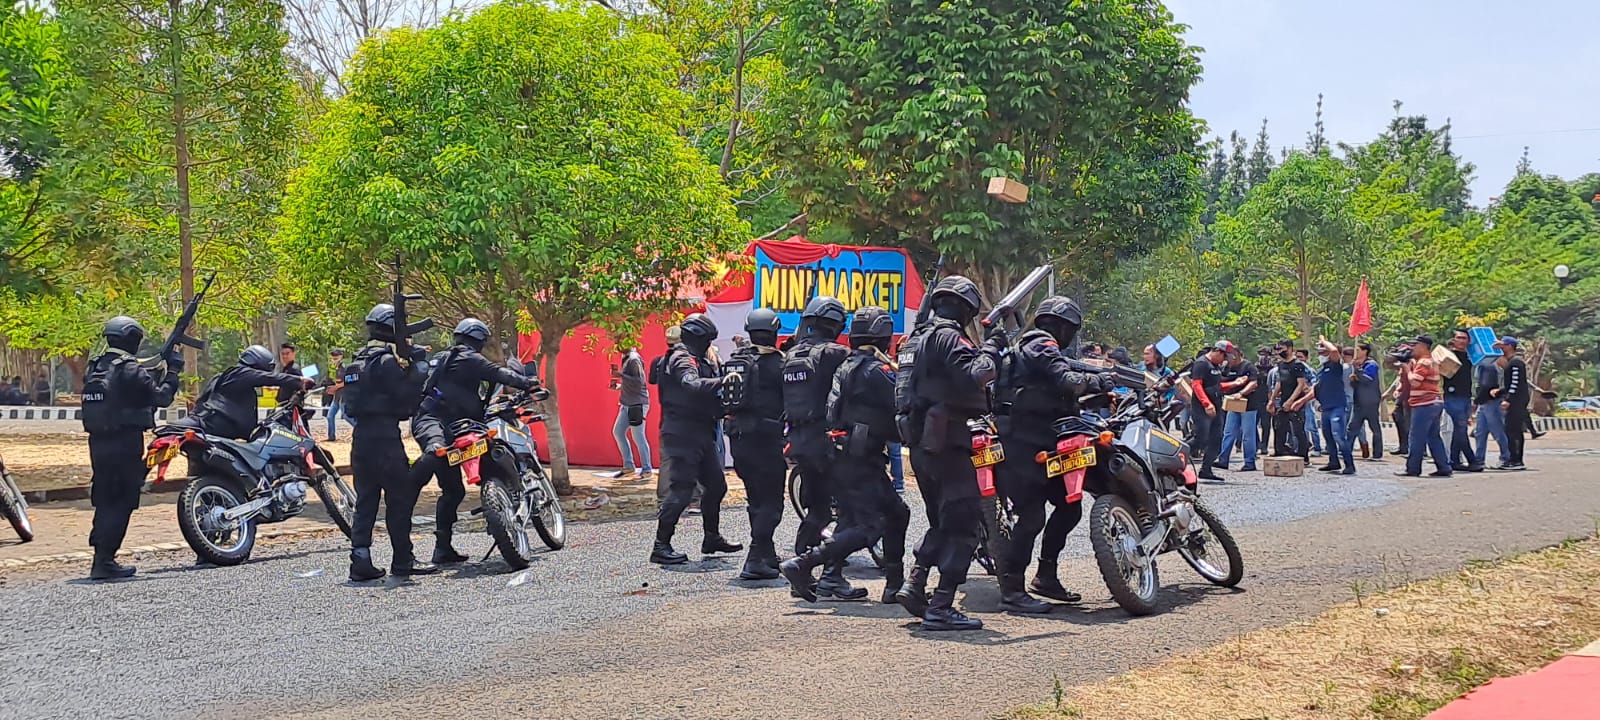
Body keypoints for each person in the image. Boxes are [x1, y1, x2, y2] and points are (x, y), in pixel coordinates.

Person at [781, 306, 911, 604]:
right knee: (869, 526)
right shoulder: (874, 370)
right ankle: (803, 564)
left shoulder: (846, 363)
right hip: (859, 459)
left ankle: (891, 585)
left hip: (837, 452)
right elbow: (902, 400)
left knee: (892, 514)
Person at [893, 276, 998, 631]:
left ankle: (916, 582)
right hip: (948, 443)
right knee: (966, 525)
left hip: (922, 445)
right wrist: (992, 348)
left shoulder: (914, 339)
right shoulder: (948, 337)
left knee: (942, 520)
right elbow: (975, 374)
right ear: (965, 309)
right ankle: (942, 604)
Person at [990, 297, 1105, 614]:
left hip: (1045, 442)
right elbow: (1067, 380)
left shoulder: (1030, 350)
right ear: (1062, 325)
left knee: (1070, 507)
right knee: (1031, 517)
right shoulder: (1042, 344)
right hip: (1022, 445)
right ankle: (1012, 590)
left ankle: (1046, 576)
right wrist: (1096, 380)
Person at [407, 318, 540, 565]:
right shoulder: (467, 357)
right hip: (437, 424)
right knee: (433, 458)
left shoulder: (444, 356)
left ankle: (443, 548)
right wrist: (528, 383)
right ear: (478, 338)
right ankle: (409, 488)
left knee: (453, 490)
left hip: (446, 424)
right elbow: (499, 373)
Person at [80, 316, 182, 580]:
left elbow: (130, 394)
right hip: (124, 443)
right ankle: (105, 561)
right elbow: (161, 397)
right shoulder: (128, 368)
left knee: (105, 498)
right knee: (122, 499)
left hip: (98, 443)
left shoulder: (96, 366)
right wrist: (172, 372)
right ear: (132, 339)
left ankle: (100, 558)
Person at [342, 304, 435, 581]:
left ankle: (360, 560)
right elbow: (404, 395)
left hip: (360, 440)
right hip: (385, 438)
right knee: (399, 499)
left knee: (366, 501)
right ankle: (403, 560)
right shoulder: (384, 361)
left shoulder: (355, 363)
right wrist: (419, 368)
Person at [782, 296, 861, 599]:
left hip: (800, 441)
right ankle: (831, 576)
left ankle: (799, 567)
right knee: (848, 511)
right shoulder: (834, 353)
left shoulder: (790, 355)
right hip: (828, 442)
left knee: (817, 511)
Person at [651, 313, 740, 564]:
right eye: (708, 340)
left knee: (716, 487)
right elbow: (691, 384)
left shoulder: (699, 358)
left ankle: (711, 537)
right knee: (681, 490)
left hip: (701, 431)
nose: (710, 345)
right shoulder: (681, 358)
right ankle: (661, 545)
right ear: (698, 338)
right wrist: (722, 381)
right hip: (681, 433)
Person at [722, 308, 787, 580]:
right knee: (772, 503)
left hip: (738, 440)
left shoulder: (736, 360)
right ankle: (754, 558)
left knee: (756, 499)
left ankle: (766, 552)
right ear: (773, 333)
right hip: (766, 440)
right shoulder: (776, 364)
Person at [186, 345, 314, 440]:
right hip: (217, 428)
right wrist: (299, 381)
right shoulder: (239, 373)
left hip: (211, 430)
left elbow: (201, 400)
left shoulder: (226, 377)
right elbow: (268, 378)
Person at [1396, 336, 1453, 478]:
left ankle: (1413, 468)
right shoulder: (1431, 361)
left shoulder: (1424, 362)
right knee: (1433, 437)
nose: (1412, 348)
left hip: (1424, 403)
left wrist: (1407, 369)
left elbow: (1415, 382)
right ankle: (1443, 466)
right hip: (1434, 402)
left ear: (1423, 346)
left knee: (1416, 437)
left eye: (1414, 345)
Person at [603, 347, 653, 479]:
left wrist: (621, 376)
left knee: (638, 437)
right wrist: (619, 386)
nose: (617, 344)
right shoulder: (627, 358)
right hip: (627, 403)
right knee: (618, 432)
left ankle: (647, 469)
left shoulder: (633, 359)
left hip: (637, 404)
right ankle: (629, 466)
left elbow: (639, 382)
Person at [1188, 342, 1234, 481]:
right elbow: (1196, 385)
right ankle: (1175, 458)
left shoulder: (1215, 367)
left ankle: (1206, 469)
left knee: (1216, 438)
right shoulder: (1202, 363)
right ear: (1218, 352)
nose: (1225, 360)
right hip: (1202, 408)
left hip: (1216, 406)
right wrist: (1206, 403)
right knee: (1201, 438)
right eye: (1225, 356)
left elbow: (1216, 386)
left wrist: (1235, 383)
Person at [1313, 337, 1355, 475]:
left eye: (1324, 353)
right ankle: (1333, 462)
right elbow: (1315, 389)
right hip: (1326, 407)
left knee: (1339, 436)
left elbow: (1334, 350)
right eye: (1320, 353)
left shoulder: (1336, 366)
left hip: (1337, 406)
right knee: (1328, 436)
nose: (1321, 356)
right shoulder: (1322, 371)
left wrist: (1323, 340)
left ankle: (1349, 465)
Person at [1217, 346, 1260, 472]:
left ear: (1236, 354)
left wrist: (1241, 393)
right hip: (1232, 403)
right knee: (1229, 432)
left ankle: (1249, 462)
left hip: (1248, 404)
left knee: (1248, 434)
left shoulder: (1248, 367)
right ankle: (1223, 460)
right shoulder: (1227, 367)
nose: (1228, 359)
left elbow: (1253, 383)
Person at [1268, 340, 1313, 458]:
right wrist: (1272, 400)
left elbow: (1301, 384)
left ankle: (1303, 456)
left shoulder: (1297, 365)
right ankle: (1280, 452)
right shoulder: (1281, 365)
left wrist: (1291, 400)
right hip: (1282, 401)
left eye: (1281, 349)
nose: (1279, 352)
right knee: (1279, 428)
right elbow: (1279, 383)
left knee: (1298, 430)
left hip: (1296, 402)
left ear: (1289, 348)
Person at [1495, 337, 1530, 471]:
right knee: (1512, 430)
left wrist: (1508, 399)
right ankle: (1514, 459)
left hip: (1517, 401)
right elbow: (1512, 384)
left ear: (1510, 346)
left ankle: (1516, 460)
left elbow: (1515, 383)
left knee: (1513, 430)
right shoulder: (1512, 362)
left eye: (1503, 345)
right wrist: (1500, 391)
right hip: (1517, 399)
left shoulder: (1516, 363)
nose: (1501, 347)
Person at [1344, 342, 1384, 462]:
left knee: (1375, 428)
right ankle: (1347, 451)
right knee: (1352, 428)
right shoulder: (1355, 365)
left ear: (1365, 351)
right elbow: (1356, 384)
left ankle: (1377, 454)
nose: (1356, 352)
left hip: (1370, 401)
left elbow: (1368, 380)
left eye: (1358, 349)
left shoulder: (1371, 364)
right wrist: (1353, 379)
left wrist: (1358, 371)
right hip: (1359, 402)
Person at [1442, 329, 1475, 471]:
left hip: (1466, 396)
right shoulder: (1448, 356)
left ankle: (1454, 460)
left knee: (1459, 429)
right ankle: (1472, 460)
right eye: (1459, 338)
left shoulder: (1471, 357)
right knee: (1461, 429)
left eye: (1465, 338)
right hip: (1452, 397)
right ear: (1454, 340)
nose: (1462, 341)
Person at [1472, 354, 1509, 471]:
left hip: (1490, 402)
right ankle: (1479, 459)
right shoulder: (1484, 366)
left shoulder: (1487, 366)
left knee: (1497, 431)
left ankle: (1506, 457)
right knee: (1480, 433)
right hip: (1485, 403)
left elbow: (1486, 386)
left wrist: (1476, 401)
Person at [322, 349, 354, 441]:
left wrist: (335, 388)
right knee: (330, 416)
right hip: (337, 397)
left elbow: (346, 382)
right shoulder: (335, 368)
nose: (334, 359)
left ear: (341, 357)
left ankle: (359, 429)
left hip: (343, 396)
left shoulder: (344, 368)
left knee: (346, 416)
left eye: (336, 357)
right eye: (333, 357)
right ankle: (331, 437)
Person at [1295, 348, 1322, 455]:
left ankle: (1317, 448)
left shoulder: (1309, 370)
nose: (1298, 359)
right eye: (1297, 357)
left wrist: (1307, 389)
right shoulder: (1294, 368)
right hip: (1296, 400)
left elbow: (1315, 383)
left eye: (1301, 357)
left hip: (1307, 400)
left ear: (1306, 358)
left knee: (1311, 425)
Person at [1254, 348, 1275, 451]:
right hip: (1255, 400)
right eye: (1261, 354)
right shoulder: (1254, 368)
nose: (1264, 357)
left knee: (1266, 425)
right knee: (1253, 424)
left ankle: (1264, 446)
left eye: (1266, 355)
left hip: (1267, 400)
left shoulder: (1273, 369)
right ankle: (1257, 443)